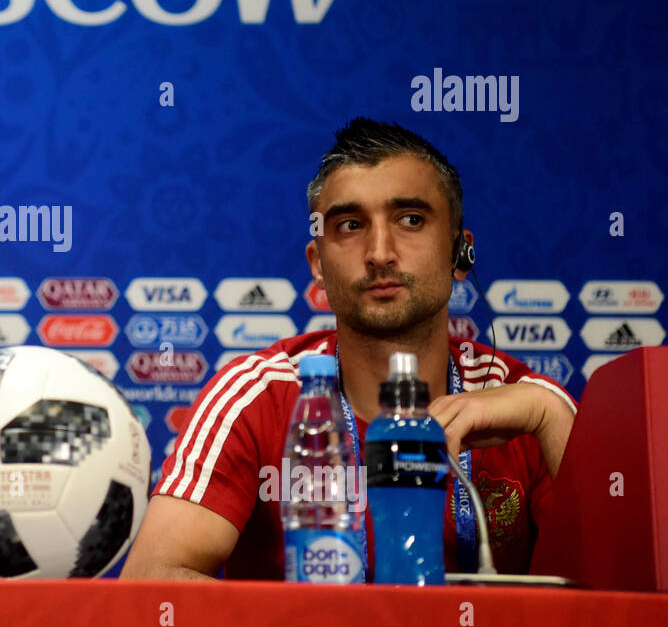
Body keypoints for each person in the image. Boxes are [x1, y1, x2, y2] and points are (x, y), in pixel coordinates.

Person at [122, 117, 576, 581]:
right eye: (351, 224)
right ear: (317, 265)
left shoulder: (525, 403)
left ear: (460, 252)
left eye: (411, 219)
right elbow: (150, 585)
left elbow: (636, 598)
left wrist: (553, 416)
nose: (380, 252)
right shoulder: (256, 396)